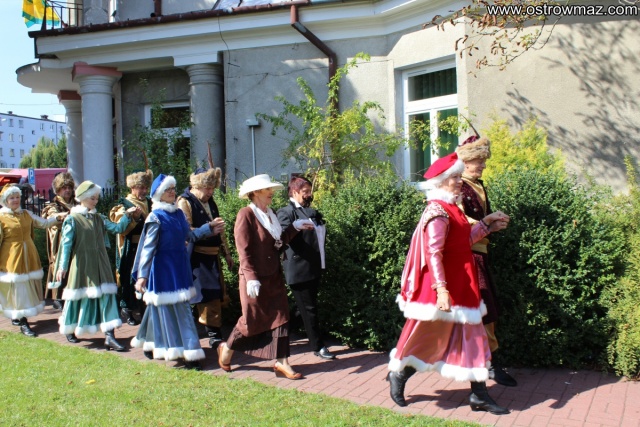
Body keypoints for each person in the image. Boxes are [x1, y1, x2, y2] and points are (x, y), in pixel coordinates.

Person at [387, 152, 511, 415]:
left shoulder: (453, 208)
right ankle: (399, 374)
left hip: (464, 284)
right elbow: (434, 253)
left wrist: (487, 225)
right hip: (447, 287)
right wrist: (441, 290)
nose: (459, 181)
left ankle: (479, 395)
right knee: (427, 336)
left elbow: (462, 242)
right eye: (454, 177)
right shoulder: (437, 211)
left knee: (475, 338)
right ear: (441, 181)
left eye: (459, 176)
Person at [216, 174, 315, 379]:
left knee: (281, 318)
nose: (271, 192)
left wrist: (294, 228)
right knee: (250, 321)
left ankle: (282, 362)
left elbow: (278, 243)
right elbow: (243, 250)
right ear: (255, 193)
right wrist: (251, 277)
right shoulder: (246, 214)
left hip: (273, 276)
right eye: (267, 189)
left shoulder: (271, 213)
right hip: (254, 279)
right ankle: (227, 349)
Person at [131, 174, 224, 370]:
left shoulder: (178, 214)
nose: (172, 192)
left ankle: (150, 342)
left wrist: (208, 228)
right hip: (163, 269)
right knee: (175, 310)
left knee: (162, 308)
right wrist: (142, 276)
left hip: (180, 266)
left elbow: (189, 235)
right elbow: (148, 249)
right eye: (168, 190)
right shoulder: (155, 217)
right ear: (159, 194)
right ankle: (189, 354)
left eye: (173, 189)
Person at [457, 135, 517, 387]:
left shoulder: (478, 185)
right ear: (466, 161)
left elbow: (480, 222)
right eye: (479, 161)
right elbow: (458, 223)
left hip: (480, 254)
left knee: (486, 312)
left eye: (483, 160)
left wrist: (494, 225)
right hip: (466, 258)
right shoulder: (457, 186)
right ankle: (404, 368)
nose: (483, 165)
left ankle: (487, 367)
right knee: (478, 313)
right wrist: (487, 223)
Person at [52, 181, 138, 348]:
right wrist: (62, 267)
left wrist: (128, 216)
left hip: (101, 262)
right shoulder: (73, 219)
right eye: (92, 198)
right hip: (82, 264)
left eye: (97, 198)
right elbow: (66, 245)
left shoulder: (99, 218)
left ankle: (109, 335)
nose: (95, 201)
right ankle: (70, 328)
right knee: (78, 296)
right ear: (83, 198)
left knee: (106, 295)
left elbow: (117, 228)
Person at [277, 176, 335, 360]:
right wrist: (295, 227)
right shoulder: (286, 212)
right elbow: (281, 238)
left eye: (310, 191)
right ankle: (318, 347)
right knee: (309, 309)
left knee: (301, 308)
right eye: (305, 192)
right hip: (299, 270)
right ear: (294, 192)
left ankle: (277, 336)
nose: (309, 195)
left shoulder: (311, 212)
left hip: (314, 267)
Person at [177, 166, 234, 348]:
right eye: (207, 188)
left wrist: (227, 253)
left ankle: (207, 331)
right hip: (196, 257)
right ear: (197, 185)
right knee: (205, 295)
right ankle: (213, 335)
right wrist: (208, 229)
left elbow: (220, 230)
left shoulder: (211, 202)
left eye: (212, 188)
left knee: (214, 294)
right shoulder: (184, 202)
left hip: (213, 256)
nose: (210, 192)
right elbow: (186, 232)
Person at [0, 184, 67, 336]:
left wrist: (58, 217)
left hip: (29, 255)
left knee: (26, 286)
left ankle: (18, 315)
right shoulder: (1, 217)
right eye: (12, 198)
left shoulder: (26, 214)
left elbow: (44, 223)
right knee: (17, 287)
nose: (16, 200)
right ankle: (23, 321)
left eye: (17, 197)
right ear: (5, 200)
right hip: (11, 256)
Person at [109, 169, 153, 326]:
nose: (144, 191)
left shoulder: (151, 202)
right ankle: (127, 309)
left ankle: (144, 309)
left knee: (147, 277)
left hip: (148, 247)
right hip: (131, 247)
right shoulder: (124, 204)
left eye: (146, 187)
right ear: (132, 187)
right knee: (129, 278)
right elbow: (121, 229)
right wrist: (132, 217)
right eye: (140, 187)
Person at [42, 172, 78, 311]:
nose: (67, 190)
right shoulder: (53, 205)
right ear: (57, 190)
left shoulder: (78, 203)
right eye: (64, 188)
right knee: (60, 266)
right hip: (60, 242)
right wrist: (62, 216)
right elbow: (51, 217)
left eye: (69, 187)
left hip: (77, 241)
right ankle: (58, 297)